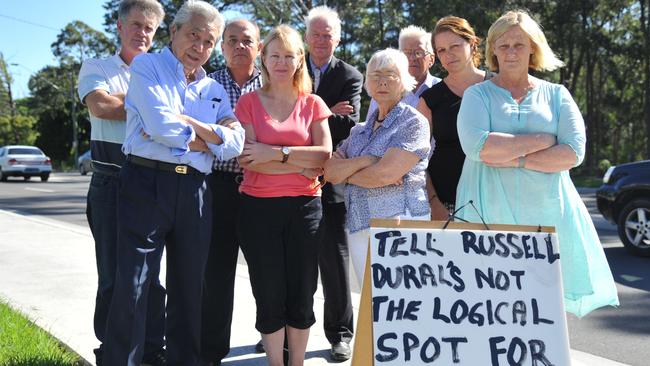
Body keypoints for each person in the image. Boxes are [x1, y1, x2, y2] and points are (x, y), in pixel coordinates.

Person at [103, 2, 245, 365]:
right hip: (146, 183)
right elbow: (160, 126)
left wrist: (194, 127)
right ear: (173, 32)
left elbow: (236, 142)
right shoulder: (147, 66)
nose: (199, 46)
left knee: (189, 288)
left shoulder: (213, 87)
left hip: (196, 192)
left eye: (208, 41)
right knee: (135, 285)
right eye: (193, 35)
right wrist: (211, 138)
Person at [456, 10, 619, 317]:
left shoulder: (557, 95)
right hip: (490, 213)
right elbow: (479, 148)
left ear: (533, 47)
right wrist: (543, 140)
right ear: (492, 50)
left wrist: (513, 158)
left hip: (549, 216)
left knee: (544, 313)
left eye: (519, 44)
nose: (511, 51)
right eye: (503, 45)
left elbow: (573, 152)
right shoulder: (476, 95)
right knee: (491, 306)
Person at [235, 24, 332, 366]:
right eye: (274, 55)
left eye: (288, 56)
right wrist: (297, 161)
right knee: (268, 290)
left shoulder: (313, 104)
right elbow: (247, 158)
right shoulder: (247, 103)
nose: (281, 62)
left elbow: (324, 156)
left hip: (306, 208)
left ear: (299, 60)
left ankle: (297, 362)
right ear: (263, 58)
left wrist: (275, 154)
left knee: (303, 290)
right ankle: (276, 362)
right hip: (257, 209)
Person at [76, 1, 166, 365]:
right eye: (135, 24)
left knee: (152, 278)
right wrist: (153, 105)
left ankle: (151, 350)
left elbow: (173, 111)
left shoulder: (163, 70)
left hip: (153, 182)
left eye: (149, 27)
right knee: (113, 277)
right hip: (110, 183)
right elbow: (101, 107)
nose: (141, 32)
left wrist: (132, 102)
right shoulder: (96, 67)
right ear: (119, 25)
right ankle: (110, 352)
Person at [324, 48, 431, 287]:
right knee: (369, 305)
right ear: (367, 83)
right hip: (359, 224)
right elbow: (330, 172)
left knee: (402, 304)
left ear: (403, 80)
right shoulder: (358, 130)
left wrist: (350, 172)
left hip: (400, 223)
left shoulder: (413, 122)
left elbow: (384, 174)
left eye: (390, 74)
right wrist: (368, 161)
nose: (381, 81)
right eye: (375, 75)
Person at [200, 18, 262, 366]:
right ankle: (211, 350)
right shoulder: (207, 85)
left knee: (266, 269)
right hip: (218, 187)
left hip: (261, 188)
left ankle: (268, 335)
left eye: (247, 40)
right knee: (216, 272)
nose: (240, 46)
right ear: (222, 47)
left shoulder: (271, 84)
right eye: (232, 40)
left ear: (258, 47)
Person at [304, 6, 363, 361]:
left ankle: (339, 335)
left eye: (329, 35)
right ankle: (280, 329)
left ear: (337, 38)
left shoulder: (351, 75)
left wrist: (303, 114)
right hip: (288, 180)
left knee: (335, 265)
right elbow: (278, 116)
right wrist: (326, 110)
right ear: (307, 36)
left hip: (331, 183)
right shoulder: (288, 67)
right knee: (291, 263)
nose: (322, 40)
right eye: (316, 34)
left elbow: (348, 126)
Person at [416, 16, 491, 220]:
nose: (448, 55)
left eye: (455, 46)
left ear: (472, 44)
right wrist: (434, 203)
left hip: (496, 199)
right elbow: (416, 158)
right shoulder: (429, 99)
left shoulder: (498, 87)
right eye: (441, 50)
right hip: (446, 202)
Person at [366, 25, 440, 120]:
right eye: (406, 53)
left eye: (418, 53)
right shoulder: (383, 90)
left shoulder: (442, 90)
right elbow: (370, 129)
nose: (412, 58)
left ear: (431, 59)